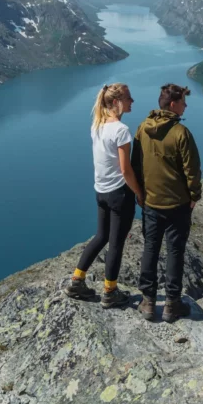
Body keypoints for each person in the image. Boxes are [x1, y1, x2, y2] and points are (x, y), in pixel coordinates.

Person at [65, 83, 143, 308]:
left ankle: (77, 281)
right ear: (116, 102)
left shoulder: (96, 125)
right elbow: (125, 169)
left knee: (101, 236)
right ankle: (110, 291)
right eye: (128, 98)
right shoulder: (121, 130)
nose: (132, 101)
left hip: (101, 191)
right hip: (119, 194)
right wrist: (139, 193)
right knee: (116, 243)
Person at [132, 83, 202, 323]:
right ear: (173, 105)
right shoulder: (181, 133)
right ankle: (172, 304)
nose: (185, 106)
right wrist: (194, 197)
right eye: (183, 102)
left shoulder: (142, 128)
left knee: (150, 248)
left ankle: (148, 302)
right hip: (177, 206)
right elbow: (192, 171)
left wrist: (140, 193)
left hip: (151, 203)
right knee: (175, 251)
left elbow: (135, 164)